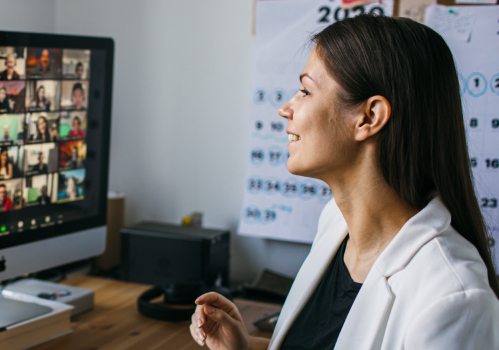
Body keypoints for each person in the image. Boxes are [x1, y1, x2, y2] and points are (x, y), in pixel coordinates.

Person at [189, 15, 499, 350]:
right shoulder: (336, 223)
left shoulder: (455, 300)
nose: (285, 109)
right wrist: (247, 346)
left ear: (368, 118)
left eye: (305, 91)